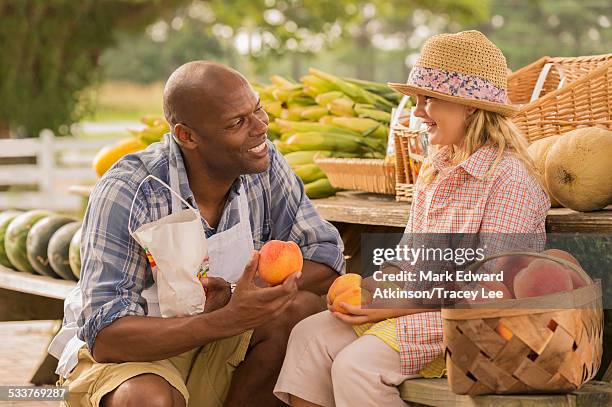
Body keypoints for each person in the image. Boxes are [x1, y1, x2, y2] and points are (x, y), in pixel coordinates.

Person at [274, 30, 550, 406]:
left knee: (357, 366)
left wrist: (391, 305)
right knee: (309, 337)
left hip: (474, 325)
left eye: (428, 100)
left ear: (468, 106)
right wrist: (370, 289)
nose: (418, 112)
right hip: (424, 308)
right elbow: (409, 261)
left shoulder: (509, 180)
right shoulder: (435, 168)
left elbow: (490, 291)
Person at [49, 61, 346, 407]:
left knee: (299, 310)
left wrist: (237, 294)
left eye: (258, 109)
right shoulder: (130, 189)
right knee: (147, 398)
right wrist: (226, 318)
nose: (261, 126)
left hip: (216, 343)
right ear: (186, 136)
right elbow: (107, 338)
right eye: (237, 122)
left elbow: (325, 254)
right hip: (134, 360)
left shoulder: (261, 164)